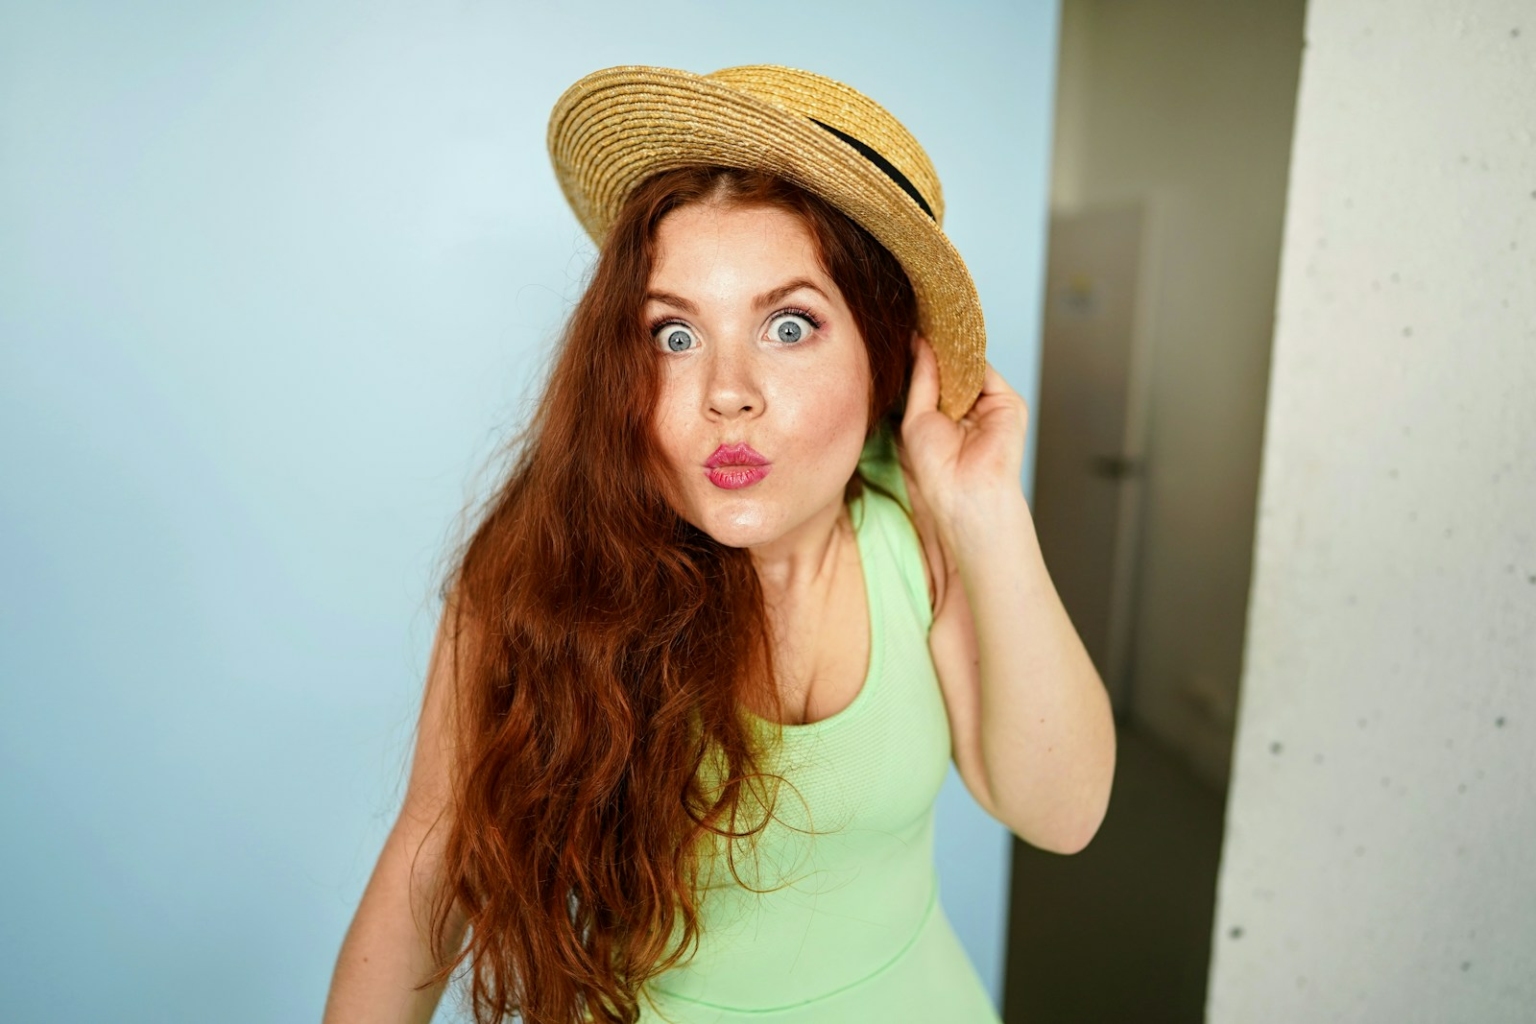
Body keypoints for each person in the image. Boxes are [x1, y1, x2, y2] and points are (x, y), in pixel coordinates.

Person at [321, 64, 1116, 1024]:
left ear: (884, 354)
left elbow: (1061, 813)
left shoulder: (924, 533)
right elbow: (429, 859)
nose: (725, 392)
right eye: (673, 335)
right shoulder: (533, 576)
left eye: (789, 326)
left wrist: (983, 505)